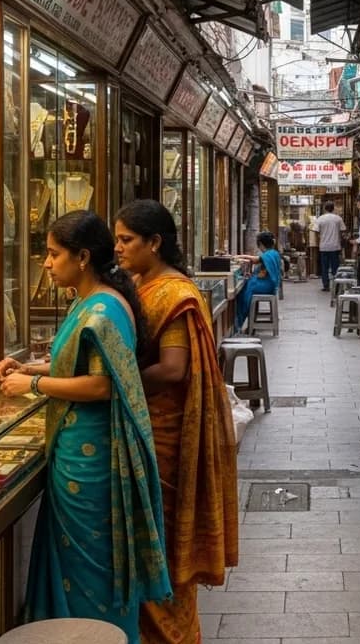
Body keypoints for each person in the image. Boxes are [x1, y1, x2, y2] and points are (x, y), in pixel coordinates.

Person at [0, 210, 170, 639]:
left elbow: (102, 385)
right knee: (74, 560)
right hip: (75, 449)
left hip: (90, 461)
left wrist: (33, 383)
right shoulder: (87, 302)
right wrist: (30, 366)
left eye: (54, 254)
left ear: (83, 257)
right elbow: (74, 364)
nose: (47, 264)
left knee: (91, 564)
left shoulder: (104, 310)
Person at [114, 199, 240, 642]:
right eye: (116, 239)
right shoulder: (139, 285)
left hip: (164, 436)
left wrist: (114, 382)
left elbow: (172, 369)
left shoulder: (174, 294)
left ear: (154, 242)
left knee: (162, 548)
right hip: (144, 425)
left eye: (127, 239)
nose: (118, 247)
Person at [231, 231, 282, 334]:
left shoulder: (268, 254)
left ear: (261, 244)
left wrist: (238, 256)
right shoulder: (274, 253)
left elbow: (255, 260)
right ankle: (240, 322)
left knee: (245, 291)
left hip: (267, 285)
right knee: (248, 285)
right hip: (270, 284)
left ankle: (238, 323)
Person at [312, 200, 346, 291]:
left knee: (324, 267)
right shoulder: (338, 218)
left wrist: (318, 242)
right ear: (333, 208)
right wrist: (340, 240)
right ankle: (337, 286)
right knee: (335, 267)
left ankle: (326, 285)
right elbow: (343, 231)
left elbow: (316, 232)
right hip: (335, 246)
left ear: (324, 209)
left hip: (324, 247)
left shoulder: (320, 219)